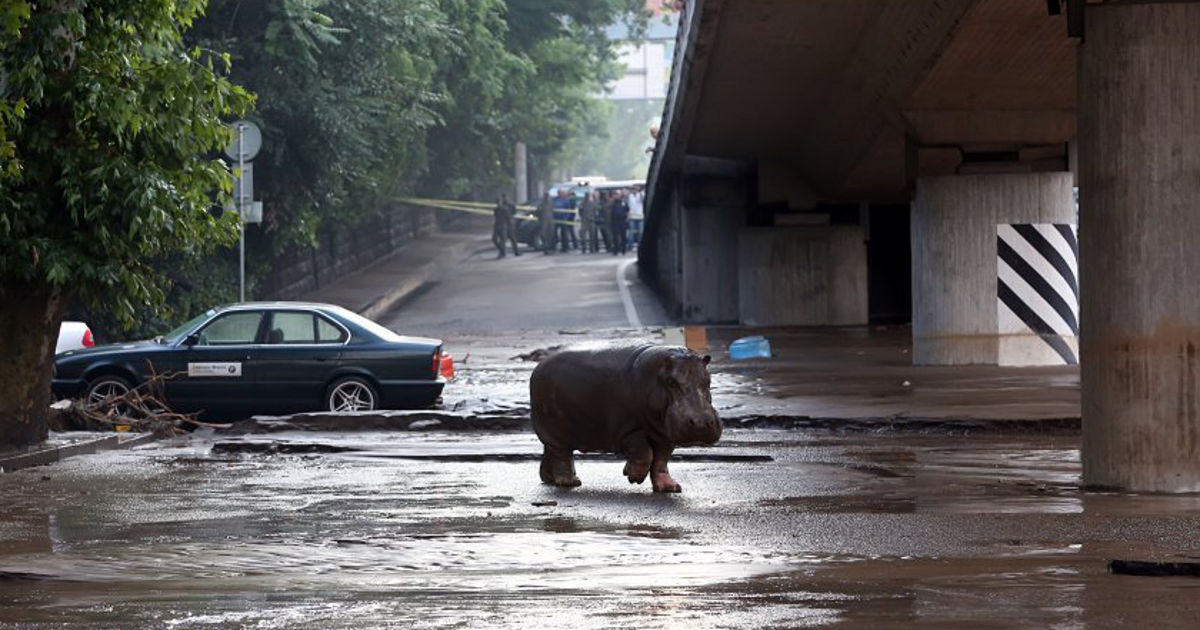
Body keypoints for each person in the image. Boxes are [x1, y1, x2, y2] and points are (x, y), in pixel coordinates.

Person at [552, 188, 578, 252]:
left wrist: (566, 217)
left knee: (564, 234)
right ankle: (553, 246)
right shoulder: (555, 200)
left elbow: (568, 210)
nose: (560, 194)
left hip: (563, 219)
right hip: (556, 219)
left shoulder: (566, 200)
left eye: (562, 193)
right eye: (559, 193)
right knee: (554, 234)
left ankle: (565, 247)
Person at [609, 190, 630, 256]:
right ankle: (616, 250)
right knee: (615, 237)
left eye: (617, 194)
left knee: (623, 236)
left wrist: (627, 218)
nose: (616, 196)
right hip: (615, 222)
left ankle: (623, 250)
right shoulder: (612, 203)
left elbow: (628, 210)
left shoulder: (623, 202)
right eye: (615, 194)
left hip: (622, 221)